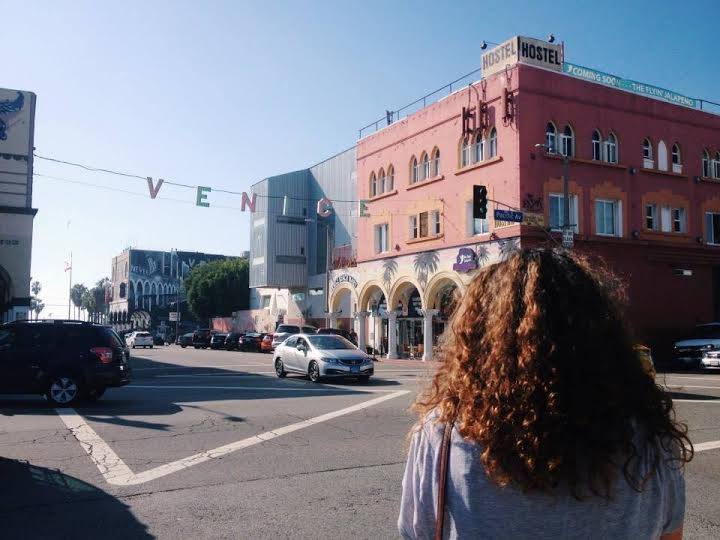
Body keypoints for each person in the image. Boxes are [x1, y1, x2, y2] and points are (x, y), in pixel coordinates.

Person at [399, 248, 692, 540]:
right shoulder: (651, 438)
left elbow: (419, 533)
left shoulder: (444, 434)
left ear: (477, 339)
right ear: (605, 334)